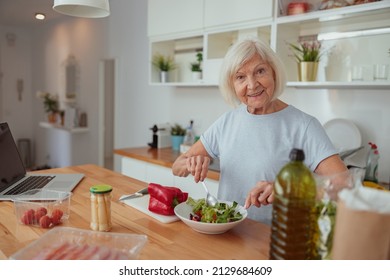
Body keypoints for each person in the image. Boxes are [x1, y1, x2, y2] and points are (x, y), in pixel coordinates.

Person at [172, 38, 347, 224]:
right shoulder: (227, 122)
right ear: (232, 84)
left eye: (260, 71)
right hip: (226, 233)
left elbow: (343, 186)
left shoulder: (304, 126)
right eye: (240, 77)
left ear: (273, 72)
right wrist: (192, 163)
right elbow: (177, 167)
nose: (252, 84)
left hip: (276, 239)